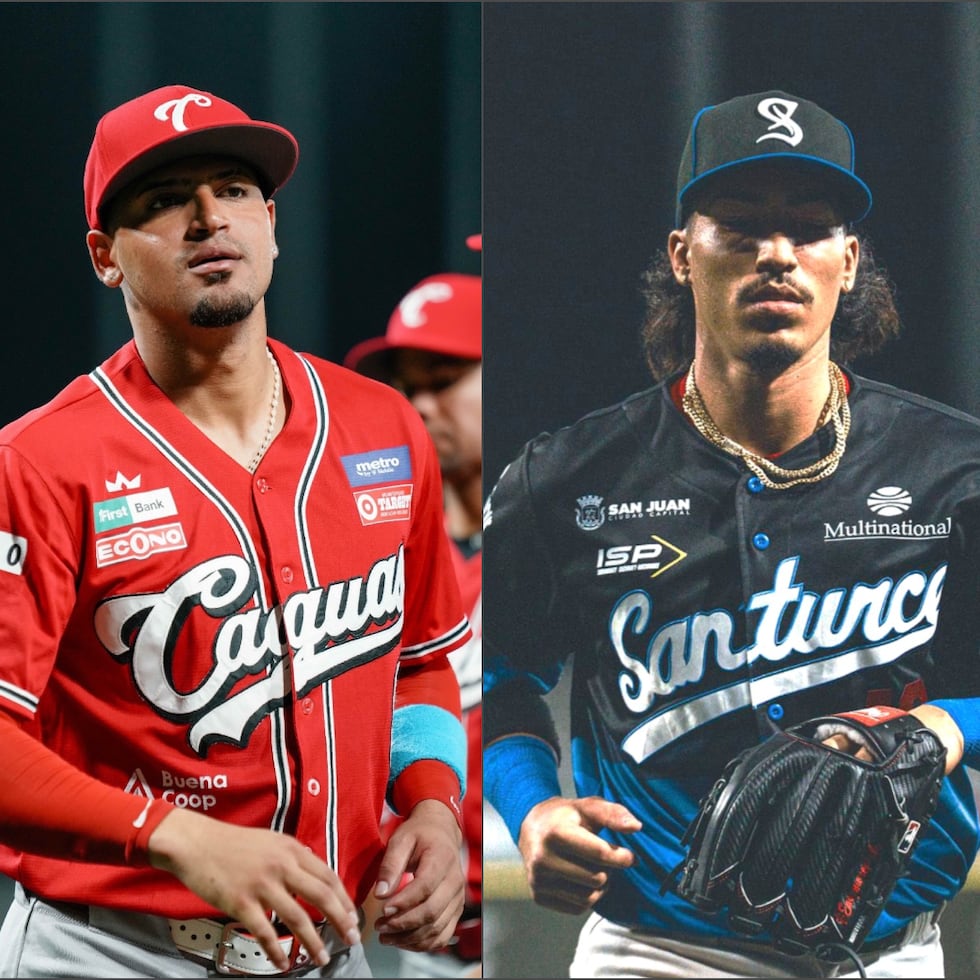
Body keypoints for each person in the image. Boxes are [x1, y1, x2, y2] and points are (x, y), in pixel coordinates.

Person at [482, 89, 980, 979]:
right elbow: (501, 678)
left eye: (810, 229)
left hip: (892, 951)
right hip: (660, 948)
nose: (777, 255)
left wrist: (948, 724)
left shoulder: (955, 466)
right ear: (682, 254)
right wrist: (531, 809)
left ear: (850, 260)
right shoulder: (567, 477)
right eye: (740, 227)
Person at [0, 84, 471, 979]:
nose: (209, 217)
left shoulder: (380, 427)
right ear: (105, 256)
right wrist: (170, 835)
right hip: (111, 951)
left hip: (332, 955)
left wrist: (435, 808)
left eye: (235, 188)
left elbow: (419, 661)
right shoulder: (40, 461)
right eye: (165, 198)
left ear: (273, 224)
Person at [345, 262, 482, 979]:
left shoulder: (564, 537)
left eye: (445, 377)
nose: (419, 404)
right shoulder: (375, 557)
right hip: (430, 932)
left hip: (545, 911)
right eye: (407, 383)